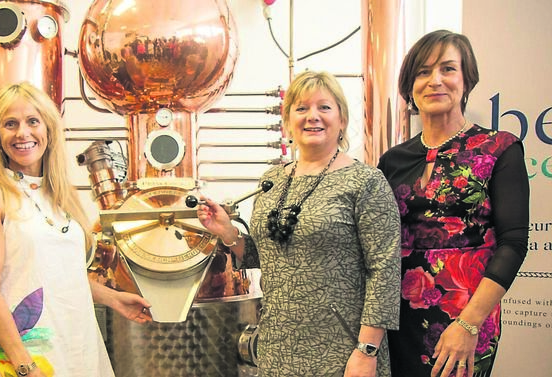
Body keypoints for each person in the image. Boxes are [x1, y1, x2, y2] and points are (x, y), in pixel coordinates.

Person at [197, 71, 401, 376]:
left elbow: (384, 270)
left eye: (324, 107)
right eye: (302, 108)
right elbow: (267, 257)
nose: (312, 117)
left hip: (342, 348)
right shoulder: (272, 180)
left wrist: (367, 350)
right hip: (278, 345)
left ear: (342, 119)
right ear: (288, 120)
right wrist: (228, 232)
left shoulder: (365, 182)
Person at [0, 82, 152, 377]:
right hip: (30, 355)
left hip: (79, 343)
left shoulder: (59, 196)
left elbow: (53, 276)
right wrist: (25, 366)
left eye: (32, 121)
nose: (22, 133)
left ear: (48, 130)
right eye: (10, 124)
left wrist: (112, 298)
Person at [377, 30, 529, 377]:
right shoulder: (392, 160)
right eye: (423, 72)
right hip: (397, 316)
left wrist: (469, 325)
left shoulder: (499, 148)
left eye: (448, 69)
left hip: (466, 314)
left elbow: (513, 244)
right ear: (410, 86)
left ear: (466, 79)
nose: (435, 81)